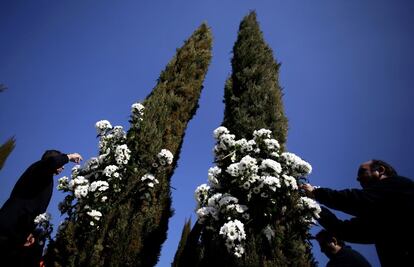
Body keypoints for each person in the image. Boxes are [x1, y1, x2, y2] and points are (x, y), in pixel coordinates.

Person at [301, 159, 414, 267]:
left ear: (380, 170)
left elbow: (359, 200)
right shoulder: (380, 220)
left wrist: (317, 193)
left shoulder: (401, 186)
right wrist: (313, 207)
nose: (357, 179)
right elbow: (344, 230)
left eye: (363, 171)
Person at [0, 150, 82, 266]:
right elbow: (51, 162)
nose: (63, 168)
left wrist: (30, 232)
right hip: (8, 227)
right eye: (61, 164)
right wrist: (69, 157)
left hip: (19, 235)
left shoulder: (46, 178)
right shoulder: (38, 168)